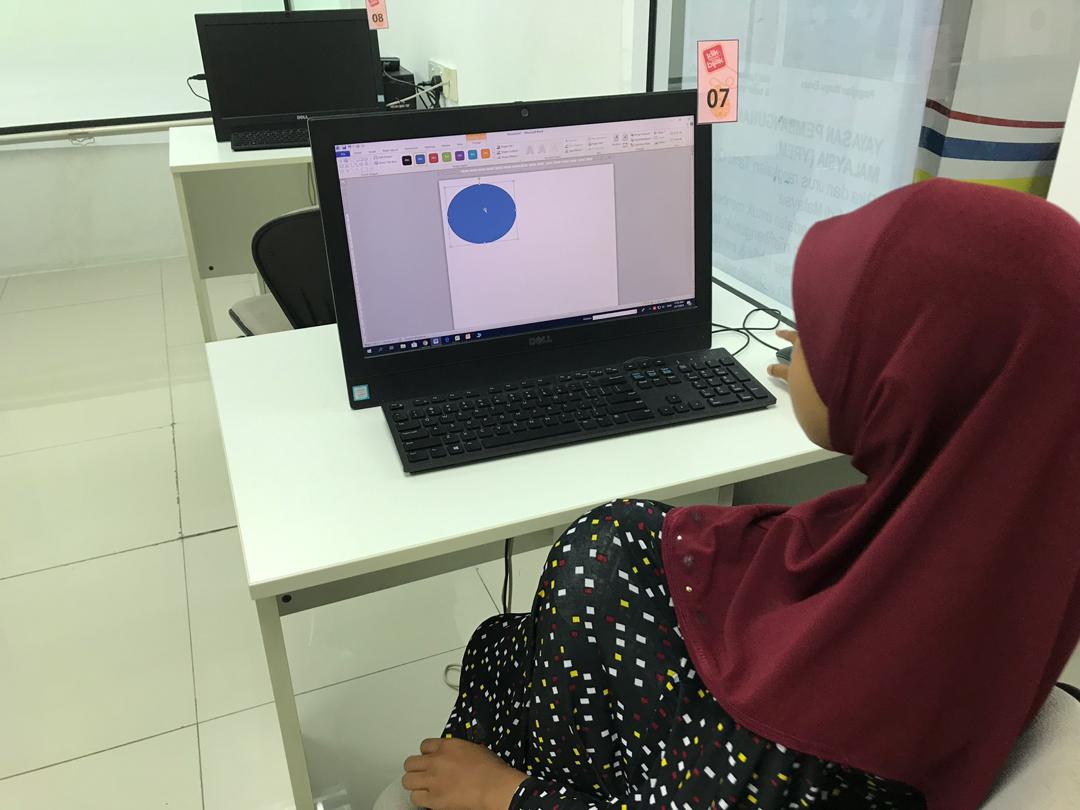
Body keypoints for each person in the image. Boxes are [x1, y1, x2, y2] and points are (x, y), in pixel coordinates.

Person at [401, 178, 1080, 810]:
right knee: (554, 597)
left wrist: (505, 794)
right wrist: (833, 379)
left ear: (907, 386)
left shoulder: (821, 740)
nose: (797, 339)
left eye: (826, 335)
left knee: (576, 577)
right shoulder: (988, 537)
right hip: (647, 710)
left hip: (566, 781)